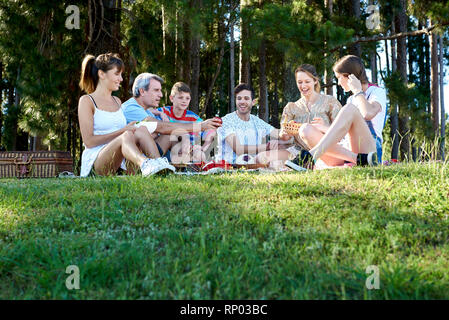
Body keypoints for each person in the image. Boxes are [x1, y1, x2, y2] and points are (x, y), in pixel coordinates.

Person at [78, 53, 176, 177]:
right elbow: (89, 142)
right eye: (117, 74)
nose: (121, 79)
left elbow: (126, 133)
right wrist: (123, 131)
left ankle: (158, 167)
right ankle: (145, 163)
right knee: (126, 135)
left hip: (121, 161)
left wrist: (132, 127)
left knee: (141, 129)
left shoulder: (117, 101)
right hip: (96, 162)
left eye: (121, 75)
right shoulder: (87, 101)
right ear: (102, 74)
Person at [301, 55, 387, 166]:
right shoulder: (351, 99)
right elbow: (346, 135)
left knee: (350, 109)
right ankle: (356, 160)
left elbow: (367, 113)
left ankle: (312, 155)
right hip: (347, 152)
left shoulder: (376, 92)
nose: (339, 83)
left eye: (339, 78)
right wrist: (323, 128)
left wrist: (357, 91)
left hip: (369, 150)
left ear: (351, 77)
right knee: (305, 130)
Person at [121, 73, 221, 162]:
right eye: (156, 90)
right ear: (142, 91)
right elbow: (162, 127)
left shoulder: (146, 110)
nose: (160, 95)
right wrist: (199, 126)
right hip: (134, 158)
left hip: (154, 150)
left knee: (177, 138)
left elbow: (160, 130)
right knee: (170, 134)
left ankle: (183, 165)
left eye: (160, 91)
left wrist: (187, 138)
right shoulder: (132, 108)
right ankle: (167, 165)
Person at [276, 64, 343, 169]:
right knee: (263, 158)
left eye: (307, 82)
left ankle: (312, 163)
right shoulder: (291, 107)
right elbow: (283, 136)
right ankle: (303, 163)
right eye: (300, 82)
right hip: (298, 151)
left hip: (324, 149)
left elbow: (342, 133)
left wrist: (324, 127)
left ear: (315, 81)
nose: (303, 86)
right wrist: (286, 133)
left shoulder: (330, 102)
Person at [216, 83, 290, 166]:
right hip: (229, 167)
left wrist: (286, 132)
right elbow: (239, 149)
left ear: (253, 102)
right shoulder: (226, 121)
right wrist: (268, 146)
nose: (242, 102)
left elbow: (278, 133)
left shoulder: (257, 121)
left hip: (253, 165)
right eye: (239, 98)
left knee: (285, 152)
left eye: (246, 98)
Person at [155, 82, 216, 163]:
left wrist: (203, 147)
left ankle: (193, 171)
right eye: (180, 97)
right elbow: (147, 112)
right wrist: (160, 113)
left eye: (187, 98)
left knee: (200, 155)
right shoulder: (164, 111)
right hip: (170, 149)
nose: (184, 101)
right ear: (171, 98)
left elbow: (210, 130)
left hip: (189, 151)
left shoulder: (193, 117)